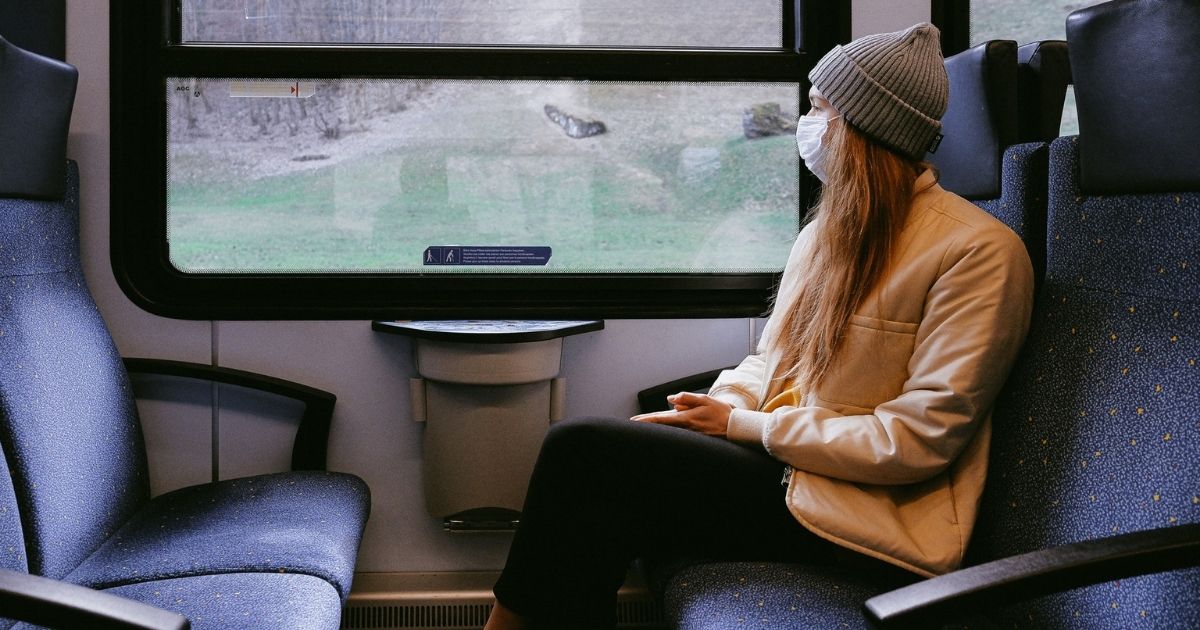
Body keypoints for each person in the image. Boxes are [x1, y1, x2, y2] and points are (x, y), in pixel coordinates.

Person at [485, 22, 1034, 629]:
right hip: (797, 471)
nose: (808, 126)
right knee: (601, 488)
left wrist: (745, 426)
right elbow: (770, 362)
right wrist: (714, 412)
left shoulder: (978, 252)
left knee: (583, 452)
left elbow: (918, 439)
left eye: (821, 109)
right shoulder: (829, 232)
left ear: (863, 129)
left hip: (870, 514)